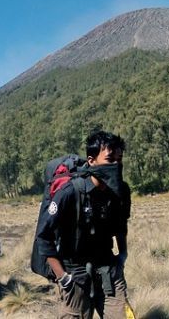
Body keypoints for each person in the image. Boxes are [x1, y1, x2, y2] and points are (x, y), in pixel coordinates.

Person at [36, 130, 129, 318]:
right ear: (91, 161)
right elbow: (44, 236)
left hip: (108, 269)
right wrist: (62, 277)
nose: (116, 165)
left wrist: (122, 255)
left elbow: (121, 225)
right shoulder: (70, 192)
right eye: (110, 160)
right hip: (75, 273)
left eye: (119, 160)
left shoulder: (120, 191)